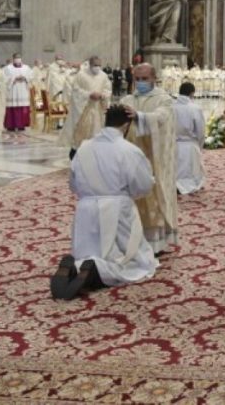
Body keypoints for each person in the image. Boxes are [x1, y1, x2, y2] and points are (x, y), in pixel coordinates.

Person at [52, 105, 158, 300]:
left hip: (85, 208)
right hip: (116, 209)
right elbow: (142, 184)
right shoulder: (128, 150)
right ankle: (96, 270)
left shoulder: (83, 147)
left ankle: (76, 267)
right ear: (126, 125)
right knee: (134, 261)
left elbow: (73, 183)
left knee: (86, 251)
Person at [120, 63, 178, 254]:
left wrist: (140, 116)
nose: (141, 83)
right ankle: (131, 240)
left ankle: (155, 243)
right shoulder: (127, 99)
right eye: (137, 79)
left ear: (154, 78)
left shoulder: (164, 99)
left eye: (145, 79)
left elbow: (161, 118)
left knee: (152, 197)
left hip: (154, 159)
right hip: (131, 159)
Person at [60, 56, 112, 160]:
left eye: (99, 65)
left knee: (96, 132)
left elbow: (108, 89)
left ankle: (94, 155)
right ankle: (76, 153)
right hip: (83, 110)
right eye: (95, 65)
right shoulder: (81, 75)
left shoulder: (103, 76)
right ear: (90, 65)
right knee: (81, 133)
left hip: (98, 109)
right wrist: (89, 95)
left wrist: (102, 95)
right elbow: (76, 90)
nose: (97, 67)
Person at [174, 82, 206, 195]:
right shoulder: (195, 108)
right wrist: (199, 144)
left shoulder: (170, 107)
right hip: (189, 144)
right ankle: (187, 186)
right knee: (190, 171)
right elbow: (200, 130)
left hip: (174, 144)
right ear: (192, 93)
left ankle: (175, 185)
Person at [2, 53, 32, 131]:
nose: (18, 59)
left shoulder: (26, 68)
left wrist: (25, 78)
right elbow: (4, 79)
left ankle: (21, 125)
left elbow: (31, 77)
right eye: (16, 58)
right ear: (13, 59)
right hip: (13, 90)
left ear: (21, 58)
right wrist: (13, 79)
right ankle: (11, 125)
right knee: (12, 107)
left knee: (22, 108)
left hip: (23, 90)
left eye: (19, 58)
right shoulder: (7, 68)